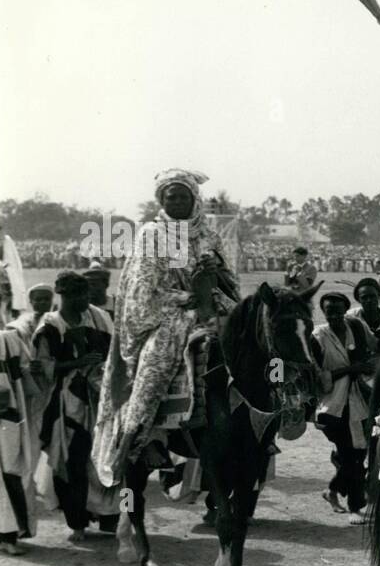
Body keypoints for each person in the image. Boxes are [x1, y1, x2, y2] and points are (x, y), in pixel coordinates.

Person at [91, 168, 239, 489]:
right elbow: (143, 290)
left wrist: (217, 273)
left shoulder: (209, 235)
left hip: (211, 307)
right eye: (171, 197)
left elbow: (231, 283)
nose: (177, 202)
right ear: (161, 200)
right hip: (169, 313)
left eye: (183, 196)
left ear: (194, 199)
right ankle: (137, 437)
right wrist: (187, 297)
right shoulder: (152, 234)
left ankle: (268, 417)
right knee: (156, 362)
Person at [33, 271, 119, 540]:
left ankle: (112, 520)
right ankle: (77, 523)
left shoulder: (99, 317)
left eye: (87, 294)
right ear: (65, 296)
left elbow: (116, 351)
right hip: (66, 406)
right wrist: (76, 364)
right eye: (81, 296)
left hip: (102, 401)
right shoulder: (49, 326)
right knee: (72, 464)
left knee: (111, 461)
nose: (87, 299)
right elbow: (40, 367)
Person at [0, 271, 40, 555]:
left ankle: (10, 534)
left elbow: (26, 381)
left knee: (10, 471)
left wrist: (39, 405)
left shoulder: (9, 340)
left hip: (6, 416)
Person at [312, 292, 377, 524]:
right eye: (329, 311)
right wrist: (349, 370)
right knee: (352, 457)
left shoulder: (355, 329)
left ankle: (332, 490)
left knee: (357, 454)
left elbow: (372, 349)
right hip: (332, 406)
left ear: (346, 310)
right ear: (324, 312)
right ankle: (355, 507)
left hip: (357, 401)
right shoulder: (318, 336)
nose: (334, 315)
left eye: (338, 310)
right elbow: (318, 376)